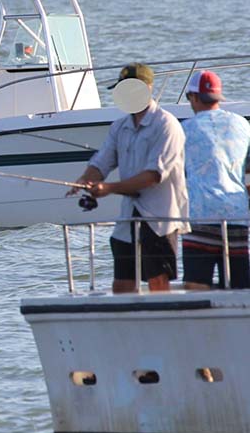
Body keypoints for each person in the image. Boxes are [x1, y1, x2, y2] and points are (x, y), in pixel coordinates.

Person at [67, 63, 189, 294]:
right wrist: (85, 179)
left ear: (147, 89)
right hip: (127, 220)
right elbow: (101, 162)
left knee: (158, 283)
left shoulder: (166, 125)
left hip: (159, 220)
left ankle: (161, 323)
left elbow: (153, 176)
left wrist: (108, 188)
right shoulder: (119, 126)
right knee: (121, 285)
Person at [179, 70, 250, 289]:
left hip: (201, 216)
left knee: (196, 288)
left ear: (194, 97)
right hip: (237, 216)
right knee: (241, 289)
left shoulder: (185, 129)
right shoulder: (242, 125)